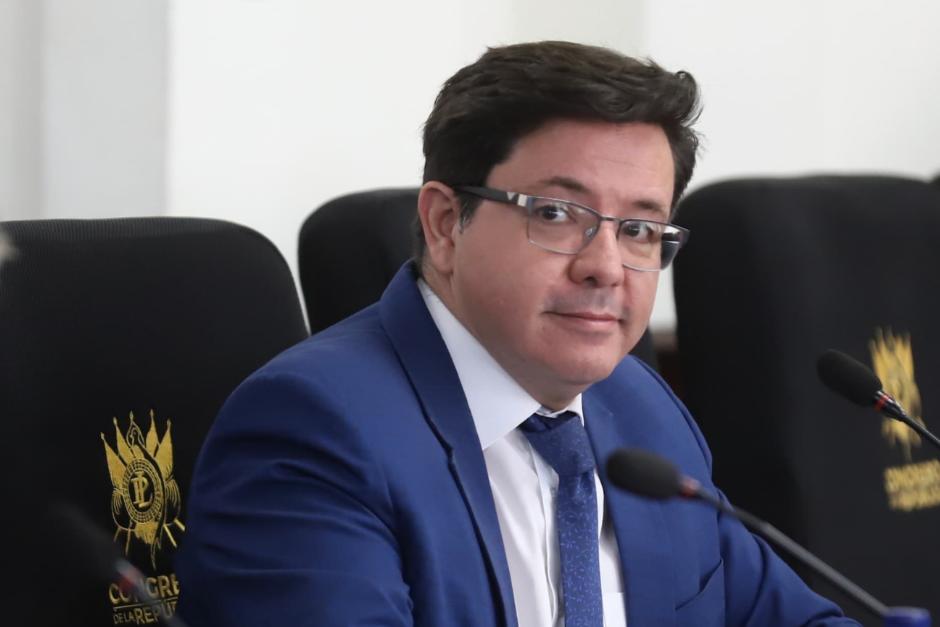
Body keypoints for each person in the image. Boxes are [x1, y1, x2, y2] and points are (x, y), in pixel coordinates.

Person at [177, 41, 858, 626]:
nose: (604, 267)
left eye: (639, 229)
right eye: (556, 214)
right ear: (446, 225)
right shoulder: (314, 430)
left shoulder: (643, 411)